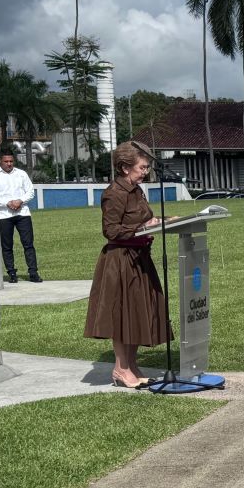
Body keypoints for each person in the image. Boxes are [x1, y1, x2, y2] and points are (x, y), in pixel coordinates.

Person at [83, 141, 171, 389]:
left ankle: (131, 365)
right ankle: (120, 369)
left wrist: (164, 220)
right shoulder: (115, 193)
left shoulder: (136, 190)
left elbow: (143, 220)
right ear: (125, 168)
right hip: (120, 260)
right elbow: (110, 230)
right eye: (142, 168)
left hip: (139, 258)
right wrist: (143, 228)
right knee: (122, 316)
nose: (145, 172)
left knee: (135, 313)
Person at [0, 152, 41, 283]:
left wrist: (20, 201)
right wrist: (7, 203)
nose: (9, 164)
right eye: (6, 161)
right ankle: (11, 273)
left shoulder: (21, 174)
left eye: (11, 161)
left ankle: (33, 273)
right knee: (6, 246)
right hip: (4, 215)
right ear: (0, 161)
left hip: (23, 214)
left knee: (28, 244)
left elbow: (30, 191)